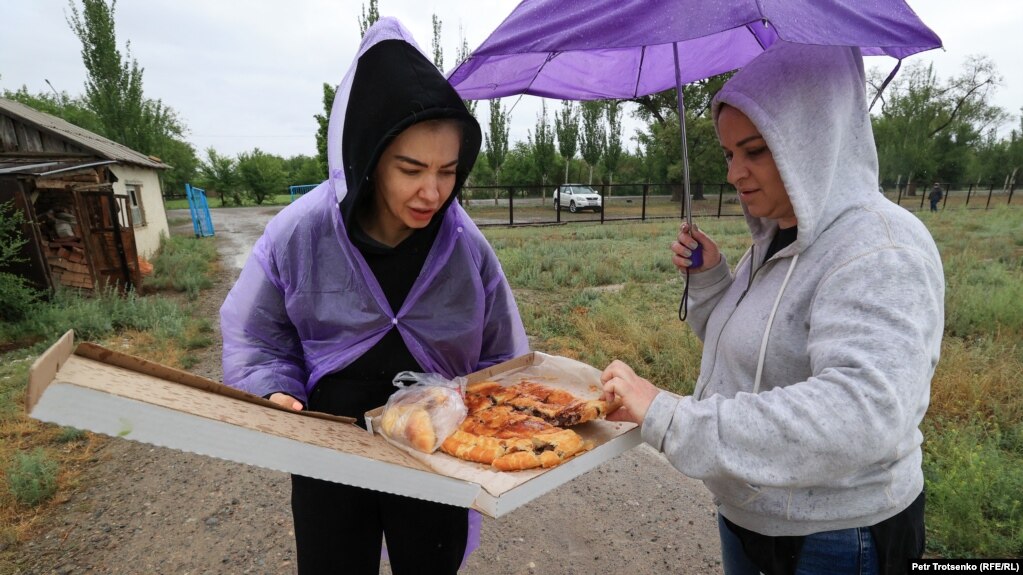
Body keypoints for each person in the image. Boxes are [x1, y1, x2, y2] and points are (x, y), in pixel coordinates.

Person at [601, 41, 944, 575]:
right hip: (753, 514)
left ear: (813, 139)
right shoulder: (778, 238)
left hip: (833, 536)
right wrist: (713, 281)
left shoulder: (881, 249)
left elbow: (859, 415)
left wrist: (670, 416)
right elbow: (747, 350)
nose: (736, 173)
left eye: (756, 150)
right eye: (729, 153)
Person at [219, 18, 528, 575]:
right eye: (410, 168)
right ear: (369, 157)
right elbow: (257, 337)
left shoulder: (466, 247)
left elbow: (501, 357)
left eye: (447, 172)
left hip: (434, 448)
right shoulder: (300, 233)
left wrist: (500, 424)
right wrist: (271, 391)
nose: (431, 192)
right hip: (328, 446)